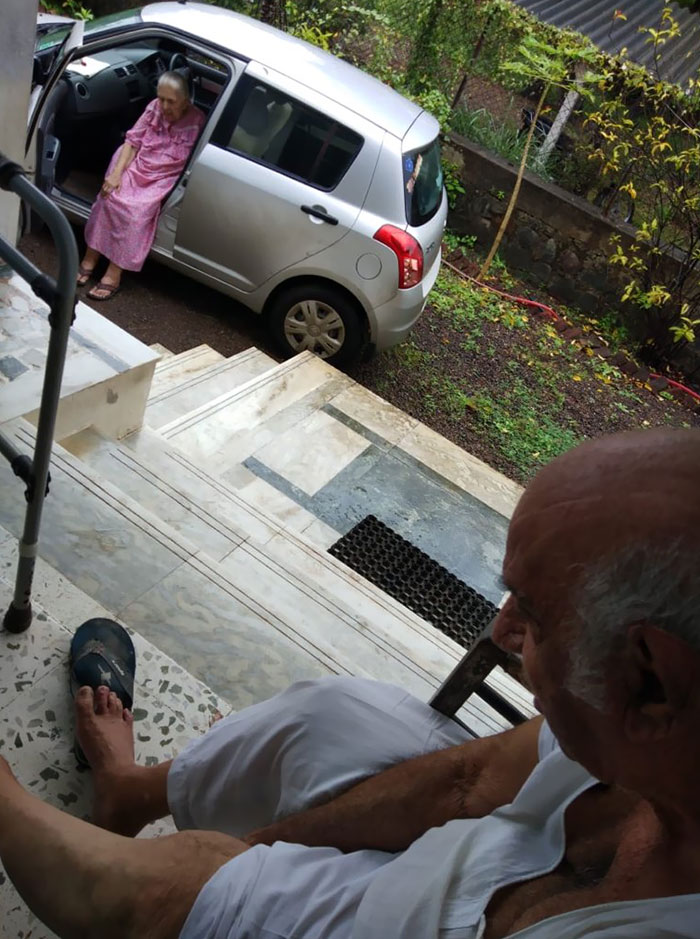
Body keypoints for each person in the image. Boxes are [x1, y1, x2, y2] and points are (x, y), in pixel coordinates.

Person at [1, 426, 700, 938]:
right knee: (328, 712)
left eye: (535, 618)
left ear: (651, 682)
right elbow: (465, 779)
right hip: (435, 870)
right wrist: (260, 849)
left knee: (158, 901)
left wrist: (226, 887)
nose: (500, 633)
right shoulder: (635, 736)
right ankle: (132, 791)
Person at [77, 71, 204, 301]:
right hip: (137, 162)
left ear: (185, 101)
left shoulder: (197, 121)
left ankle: (113, 273)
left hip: (163, 176)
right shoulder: (154, 107)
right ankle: (89, 259)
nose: (163, 106)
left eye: (171, 101)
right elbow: (132, 141)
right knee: (110, 195)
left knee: (134, 213)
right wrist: (117, 174)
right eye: (161, 98)